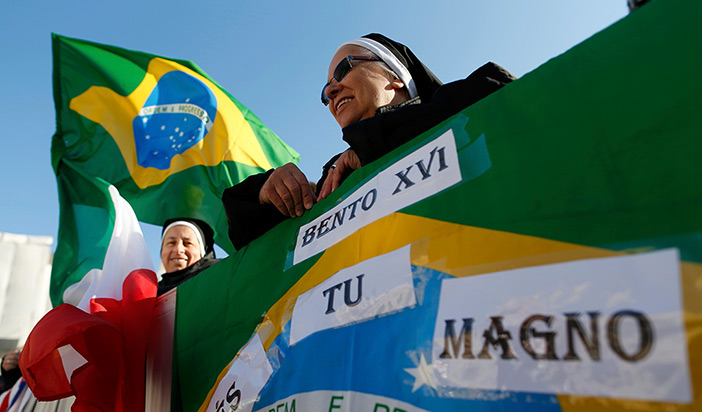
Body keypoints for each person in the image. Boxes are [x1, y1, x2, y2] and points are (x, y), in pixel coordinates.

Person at [222, 33, 516, 249]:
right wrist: (264, 193)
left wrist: (378, 145)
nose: (332, 91)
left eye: (343, 69)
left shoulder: (474, 104)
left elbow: (506, 95)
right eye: (325, 93)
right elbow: (250, 251)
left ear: (396, 77)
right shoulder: (336, 178)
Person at [157, 218, 220, 296]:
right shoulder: (149, 294)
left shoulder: (219, 278)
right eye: (171, 243)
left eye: (187, 243)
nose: (178, 249)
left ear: (203, 251)